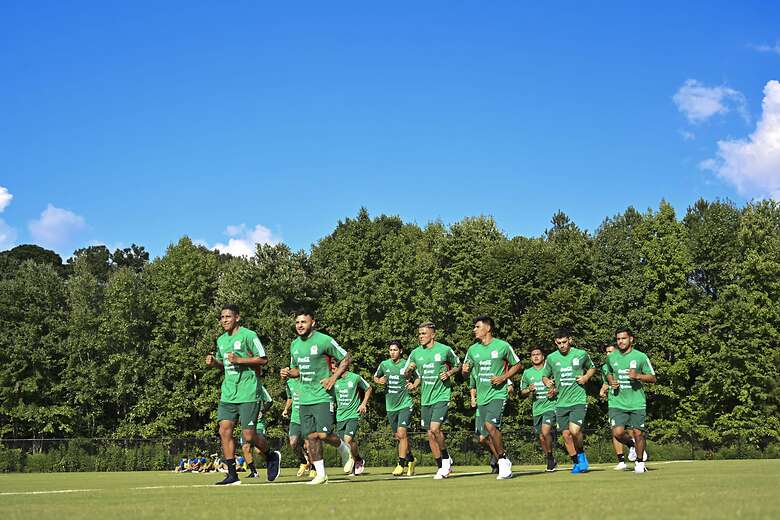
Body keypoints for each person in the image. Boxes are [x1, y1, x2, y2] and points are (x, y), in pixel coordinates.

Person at [204, 304, 281, 485]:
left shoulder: (249, 335)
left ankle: (271, 455)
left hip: (248, 392)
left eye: (228, 317)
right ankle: (232, 475)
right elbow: (225, 364)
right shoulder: (221, 340)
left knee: (248, 436)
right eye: (222, 317)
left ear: (237, 318)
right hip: (228, 393)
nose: (224, 320)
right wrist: (214, 362)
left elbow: (263, 359)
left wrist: (240, 360)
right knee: (224, 430)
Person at [280, 309, 354, 485]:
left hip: (322, 395)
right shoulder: (294, 345)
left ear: (313, 322)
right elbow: (298, 370)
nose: (300, 325)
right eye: (297, 322)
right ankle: (321, 474)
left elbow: (346, 358)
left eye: (303, 322)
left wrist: (333, 378)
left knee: (324, 433)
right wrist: (289, 373)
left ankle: (344, 448)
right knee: (311, 436)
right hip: (304, 398)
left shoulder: (324, 340)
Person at [462, 316, 522, 480]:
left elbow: (517, 364)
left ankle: (502, 461)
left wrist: (504, 377)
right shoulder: (473, 349)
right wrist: (465, 370)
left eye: (477, 326)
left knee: (490, 424)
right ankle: (503, 458)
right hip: (482, 397)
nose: (474, 329)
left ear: (488, 328)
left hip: (498, 394)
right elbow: (465, 371)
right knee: (483, 437)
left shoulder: (502, 346)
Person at [404, 322, 461, 480]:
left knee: (435, 429)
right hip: (425, 398)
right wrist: (409, 372)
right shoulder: (415, 353)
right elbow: (406, 373)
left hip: (442, 395)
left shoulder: (444, 350)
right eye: (419, 334)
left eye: (423, 333)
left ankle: (445, 461)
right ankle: (442, 466)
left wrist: (449, 373)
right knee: (430, 434)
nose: (420, 337)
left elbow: (458, 365)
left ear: (433, 335)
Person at [542, 327, 596, 474]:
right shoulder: (551, 358)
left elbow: (592, 368)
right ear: (555, 342)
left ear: (570, 340)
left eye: (564, 342)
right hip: (560, 402)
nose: (562, 345)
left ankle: (581, 454)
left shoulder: (581, 354)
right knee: (566, 435)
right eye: (559, 343)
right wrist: (547, 382)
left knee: (574, 430)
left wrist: (585, 377)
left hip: (578, 399)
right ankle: (576, 463)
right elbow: (545, 376)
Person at [605, 327, 656, 474]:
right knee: (617, 432)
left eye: (623, 338)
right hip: (617, 401)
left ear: (631, 339)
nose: (620, 341)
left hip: (636, 402)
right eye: (618, 339)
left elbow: (653, 378)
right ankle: (631, 445)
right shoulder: (611, 357)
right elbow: (608, 372)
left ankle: (640, 463)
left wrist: (638, 376)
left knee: (638, 433)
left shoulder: (640, 356)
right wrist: (612, 381)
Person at [374, 340, 419, 477]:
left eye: (395, 350)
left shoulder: (407, 364)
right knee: (399, 437)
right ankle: (411, 459)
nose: (392, 352)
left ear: (401, 351)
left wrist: (414, 385)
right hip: (390, 406)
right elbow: (375, 377)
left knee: (402, 433)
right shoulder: (384, 364)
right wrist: (379, 381)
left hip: (405, 404)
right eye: (390, 350)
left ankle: (401, 464)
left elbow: (418, 377)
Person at [520, 346, 558, 472]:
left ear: (543, 356)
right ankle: (550, 457)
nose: (536, 356)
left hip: (550, 406)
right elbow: (522, 391)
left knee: (546, 431)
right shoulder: (527, 373)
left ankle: (550, 458)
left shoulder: (550, 370)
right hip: (537, 408)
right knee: (541, 436)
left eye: (538, 354)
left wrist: (554, 390)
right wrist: (528, 390)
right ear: (531, 358)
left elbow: (561, 385)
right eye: (533, 354)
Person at [333, 368, 373, 475]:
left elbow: (368, 388)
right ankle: (358, 459)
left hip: (353, 414)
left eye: (333, 368)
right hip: (340, 416)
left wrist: (363, 404)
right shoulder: (333, 380)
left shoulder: (355, 377)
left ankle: (354, 461)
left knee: (348, 439)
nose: (332, 371)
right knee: (345, 443)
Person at [600, 344, 631, 470]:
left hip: (629, 401)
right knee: (615, 431)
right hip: (614, 402)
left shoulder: (625, 362)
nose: (608, 354)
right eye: (606, 352)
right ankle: (621, 460)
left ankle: (636, 449)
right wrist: (602, 391)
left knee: (631, 430)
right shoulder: (605, 367)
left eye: (611, 351)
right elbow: (606, 383)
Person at [241, 382, 274, 478]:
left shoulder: (259, 387)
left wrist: (262, 411)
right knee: (245, 448)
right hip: (246, 424)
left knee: (258, 450)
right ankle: (254, 472)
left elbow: (270, 401)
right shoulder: (239, 389)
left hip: (258, 424)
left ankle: (271, 461)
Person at [282, 376, 312, 478]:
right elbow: (290, 397)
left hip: (308, 417)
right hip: (295, 418)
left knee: (309, 444)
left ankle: (314, 468)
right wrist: (286, 409)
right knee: (293, 442)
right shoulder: (289, 382)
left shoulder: (308, 379)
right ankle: (303, 462)